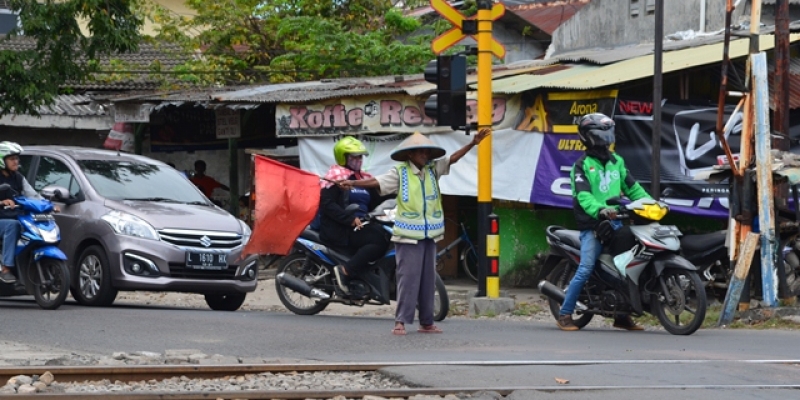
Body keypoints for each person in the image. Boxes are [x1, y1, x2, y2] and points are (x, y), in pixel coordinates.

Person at [339, 129, 489, 336]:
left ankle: (426, 322)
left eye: (427, 152)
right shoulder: (400, 173)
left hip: (430, 234)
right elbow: (377, 182)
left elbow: (452, 159)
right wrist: (354, 183)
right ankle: (401, 321)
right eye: (421, 152)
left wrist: (473, 143)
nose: (425, 155)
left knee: (428, 279)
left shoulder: (432, 170)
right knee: (408, 279)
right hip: (408, 235)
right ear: (410, 154)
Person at [557, 113, 652, 331]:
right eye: (601, 134)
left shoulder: (616, 161)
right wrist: (601, 210)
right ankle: (564, 314)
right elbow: (584, 197)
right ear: (588, 137)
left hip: (617, 223)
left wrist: (651, 203)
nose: (606, 138)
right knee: (586, 267)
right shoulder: (581, 167)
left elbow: (633, 188)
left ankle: (621, 316)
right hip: (593, 227)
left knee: (626, 267)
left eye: (608, 133)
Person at [319, 136, 390, 295]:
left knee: (387, 234)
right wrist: (350, 219)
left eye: (360, 156)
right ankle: (345, 271)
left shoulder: (362, 179)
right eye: (354, 157)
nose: (358, 160)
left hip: (362, 224)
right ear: (343, 157)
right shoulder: (335, 178)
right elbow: (327, 205)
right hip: (341, 228)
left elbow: (380, 199)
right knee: (378, 241)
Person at [0, 142, 44, 284]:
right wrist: (1, 202)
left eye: (17, 158)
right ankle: (6, 268)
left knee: (31, 226)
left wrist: (48, 205)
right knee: (12, 226)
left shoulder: (18, 177)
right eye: (12, 159)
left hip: (14, 216)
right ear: (2, 160)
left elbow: (32, 194)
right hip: (4, 220)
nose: (16, 161)